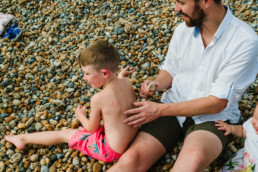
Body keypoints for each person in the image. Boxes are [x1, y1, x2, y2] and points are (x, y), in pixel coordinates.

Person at [107, 0, 258, 171]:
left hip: (213, 118)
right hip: (173, 104)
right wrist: (156, 84)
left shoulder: (245, 41)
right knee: (131, 160)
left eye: (181, 2)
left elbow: (217, 103)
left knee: (192, 161)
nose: (176, 8)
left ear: (206, 2)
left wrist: (158, 110)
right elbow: (170, 70)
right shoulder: (182, 30)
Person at [5, 40, 138, 163]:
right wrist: (120, 75)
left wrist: (81, 116)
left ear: (104, 74)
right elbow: (118, 84)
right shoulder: (126, 82)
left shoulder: (98, 98)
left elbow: (92, 128)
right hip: (133, 137)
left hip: (111, 151)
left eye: (86, 73)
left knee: (66, 133)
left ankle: (22, 139)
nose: (84, 78)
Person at [215, 104, 258, 171]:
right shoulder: (251, 125)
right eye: (255, 117)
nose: (256, 124)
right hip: (245, 159)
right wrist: (231, 128)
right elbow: (243, 131)